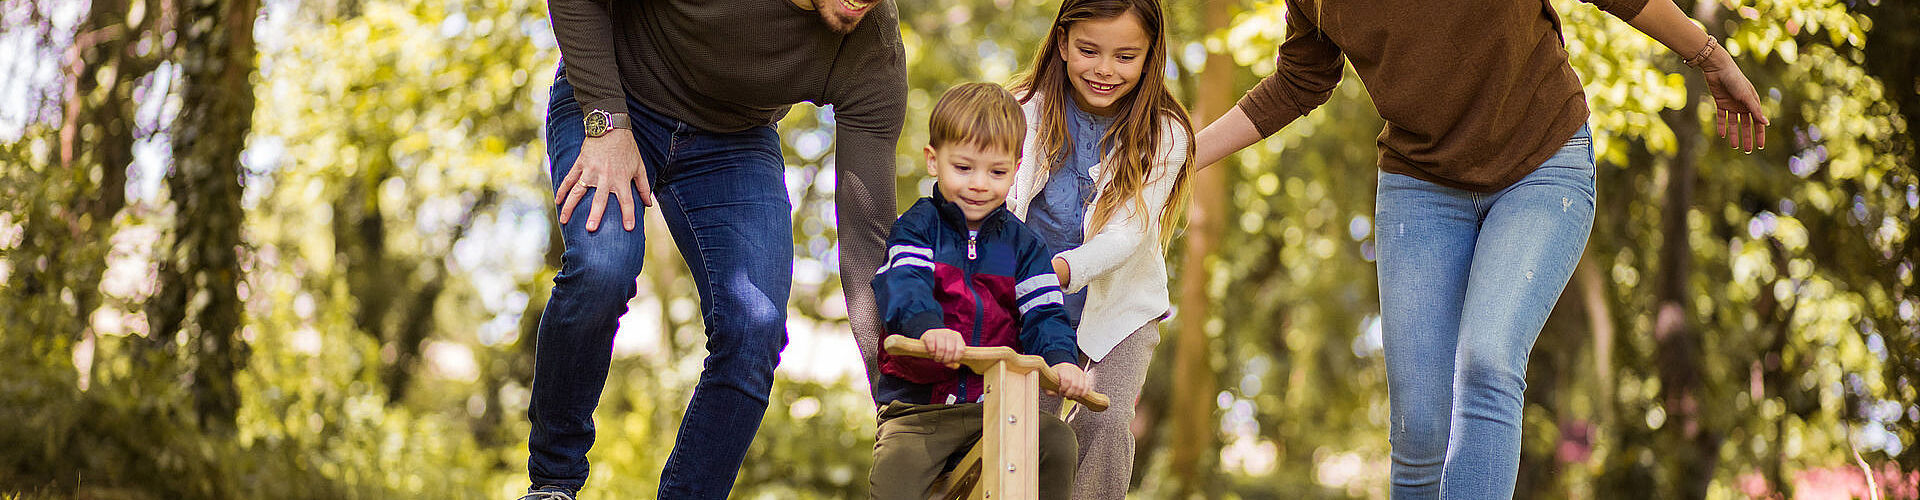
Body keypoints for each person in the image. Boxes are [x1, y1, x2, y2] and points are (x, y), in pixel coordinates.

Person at [1191, 0, 1769, 496]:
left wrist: (1711, 56)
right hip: (1420, 183)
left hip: (1542, 166)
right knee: (1418, 427)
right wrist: (1183, 156)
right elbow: (1301, 79)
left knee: (1488, 363)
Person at [523, 0, 905, 496]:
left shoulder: (871, 46)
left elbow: (868, 240)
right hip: (615, 94)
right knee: (603, 268)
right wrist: (606, 122)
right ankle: (553, 482)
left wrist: (903, 404)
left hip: (734, 140)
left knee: (756, 327)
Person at [868, 82, 1093, 500]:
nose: (978, 184)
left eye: (996, 172)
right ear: (934, 161)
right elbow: (904, 284)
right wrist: (927, 328)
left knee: (1056, 440)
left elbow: (1044, 313)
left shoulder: (1025, 246)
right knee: (893, 479)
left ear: (1017, 168)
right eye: (964, 167)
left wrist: (1061, 362)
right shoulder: (917, 227)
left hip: (995, 407)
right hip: (919, 412)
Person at [1005, 0, 1193, 497]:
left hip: (1120, 311)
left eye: (1125, 56)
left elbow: (1128, 233)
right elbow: (991, 197)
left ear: (1151, 55)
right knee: (1022, 433)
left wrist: (1059, 270)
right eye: (1089, 50)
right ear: (1063, 43)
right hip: (1027, 306)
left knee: (1104, 428)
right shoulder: (1023, 109)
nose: (1105, 69)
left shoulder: (1166, 133)